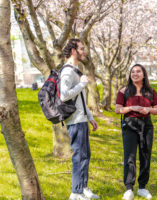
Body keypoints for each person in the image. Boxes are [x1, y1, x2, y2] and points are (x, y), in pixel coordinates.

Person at [61, 39, 100, 200]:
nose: (84, 51)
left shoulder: (76, 70)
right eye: (81, 49)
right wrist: (82, 85)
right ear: (73, 51)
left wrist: (90, 117)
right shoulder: (67, 71)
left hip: (82, 119)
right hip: (75, 121)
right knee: (79, 156)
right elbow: (64, 95)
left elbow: (81, 100)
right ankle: (75, 193)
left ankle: (83, 188)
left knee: (85, 155)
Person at [115, 64, 157, 200]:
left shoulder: (151, 91)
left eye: (138, 71)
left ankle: (142, 187)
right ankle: (129, 188)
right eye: (133, 72)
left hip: (146, 125)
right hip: (130, 124)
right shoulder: (123, 91)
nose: (135, 74)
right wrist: (131, 107)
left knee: (145, 155)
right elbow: (118, 109)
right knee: (130, 156)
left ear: (144, 74)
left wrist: (148, 110)